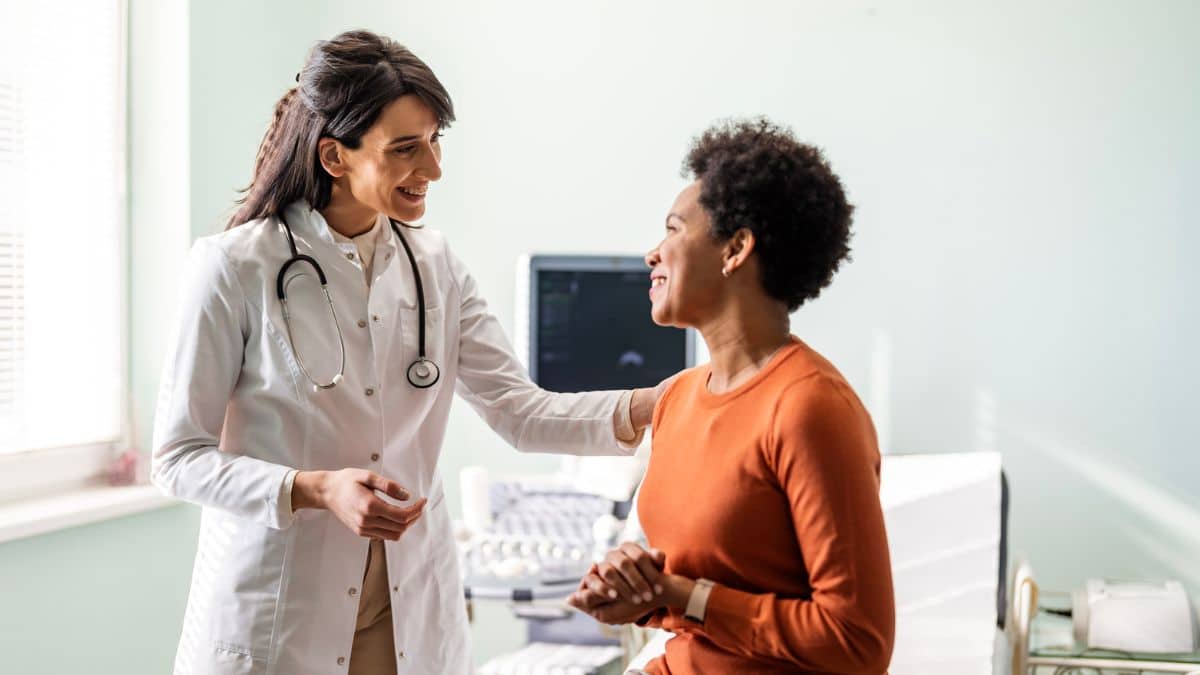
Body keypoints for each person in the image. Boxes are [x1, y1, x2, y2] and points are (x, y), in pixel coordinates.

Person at [151, 30, 665, 675]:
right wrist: (314, 489)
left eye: (434, 141)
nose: (434, 168)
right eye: (405, 149)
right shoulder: (235, 267)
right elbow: (178, 459)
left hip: (406, 610)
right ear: (334, 156)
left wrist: (667, 404)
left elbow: (518, 410)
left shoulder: (434, 264)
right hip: (282, 614)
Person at [568, 118, 895, 674]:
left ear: (736, 248)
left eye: (673, 229)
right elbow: (697, 586)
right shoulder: (678, 399)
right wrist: (639, 589)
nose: (653, 253)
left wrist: (682, 596)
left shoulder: (810, 408)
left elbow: (857, 642)